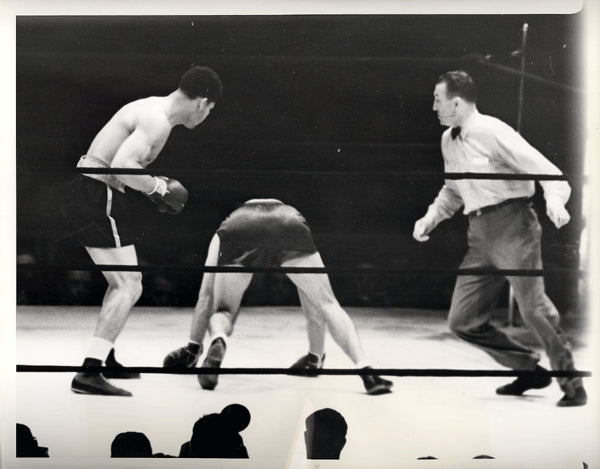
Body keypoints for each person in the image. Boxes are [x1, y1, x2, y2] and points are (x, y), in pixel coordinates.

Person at [413, 70, 586, 407]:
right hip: (478, 235)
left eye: (438, 99)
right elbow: (453, 190)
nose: (433, 106)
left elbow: (545, 169)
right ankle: (529, 370)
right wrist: (430, 218)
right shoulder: (449, 139)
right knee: (462, 321)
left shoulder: (492, 132)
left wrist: (554, 199)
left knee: (533, 309)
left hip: (514, 227)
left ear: (457, 101)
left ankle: (571, 382)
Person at [60, 65, 223, 396]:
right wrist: (158, 189)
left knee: (119, 282)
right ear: (202, 102)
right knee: (129, 285)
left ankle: (102, 357)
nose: (206, 117)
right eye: (210, 110)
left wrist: (152, 186)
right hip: (96, 192)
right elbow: (123, 165)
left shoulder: (150, 106)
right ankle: (88, 373)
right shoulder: (157, 120)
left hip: (93, 190)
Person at [163, 199, 393, 395]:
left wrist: (192, 349)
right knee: (327, 303)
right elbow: (314, 308)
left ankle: (219, 339)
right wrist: (314, 358)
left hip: (240, 226)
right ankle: (367, 371)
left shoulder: (225, 228)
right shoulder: (286, 210)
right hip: (288, 221)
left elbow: (205, 296)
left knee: (222, 311)